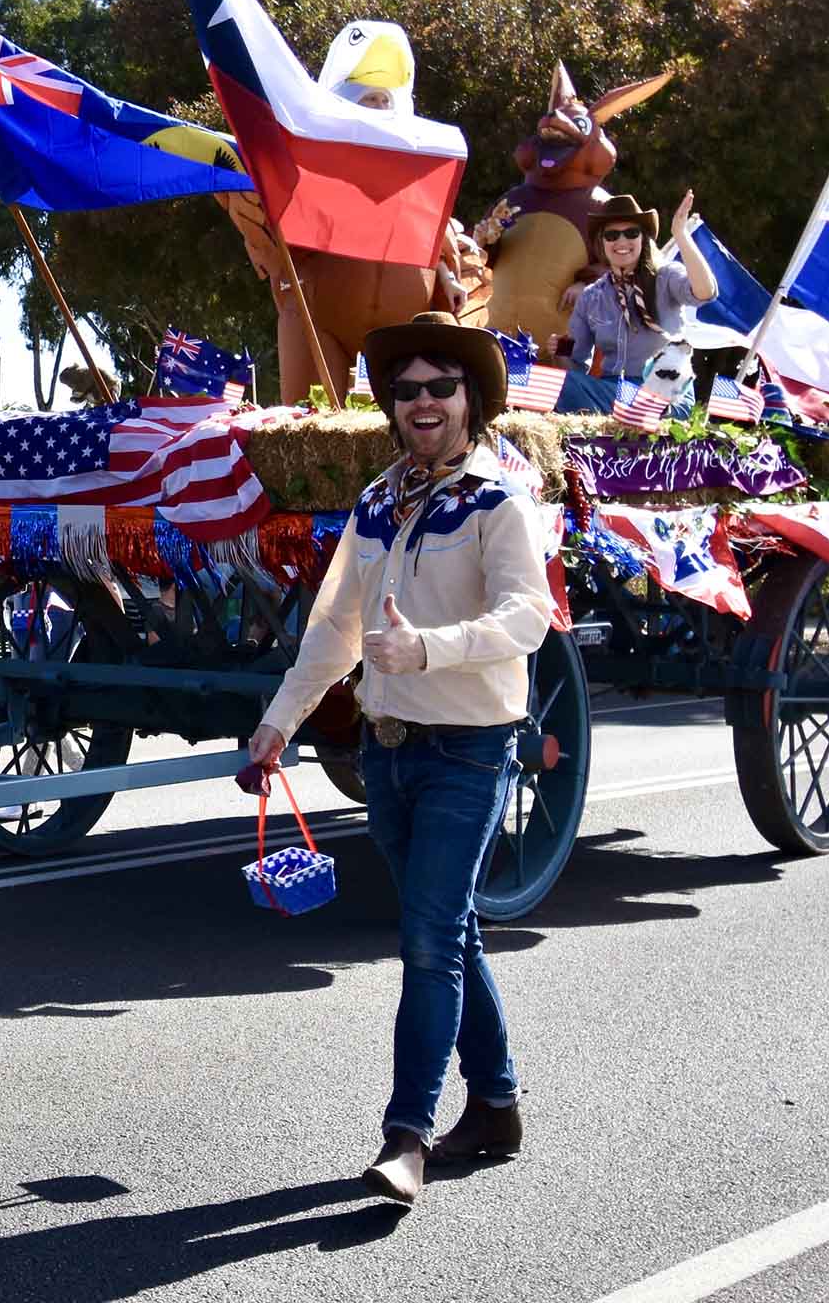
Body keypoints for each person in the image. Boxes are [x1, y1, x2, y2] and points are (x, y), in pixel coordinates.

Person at [240, 311, 554, 1208]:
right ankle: (495, 1107)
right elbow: (336, 624)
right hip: (387, 752)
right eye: (406, 389)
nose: (422, 402)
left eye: (440, 387)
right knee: (448, 928)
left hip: (469, 752)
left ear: (471, 400)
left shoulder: (501, 500)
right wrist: (277, 725)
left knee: (424, 940)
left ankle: (405, 1136)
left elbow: (529, 618)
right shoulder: (379, 501)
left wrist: (432, 650)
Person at [552, 191, 718, 403]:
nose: (621, 241)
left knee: (613, 398)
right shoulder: (591, 296)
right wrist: (560, 351)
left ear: (643, 239)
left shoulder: (666, 276)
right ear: (602, 243)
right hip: (612, 390)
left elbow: (705, 292)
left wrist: (681, 235)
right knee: (561, 387)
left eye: (631, 233)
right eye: (611, 235)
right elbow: (575, 366)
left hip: (663, 392)